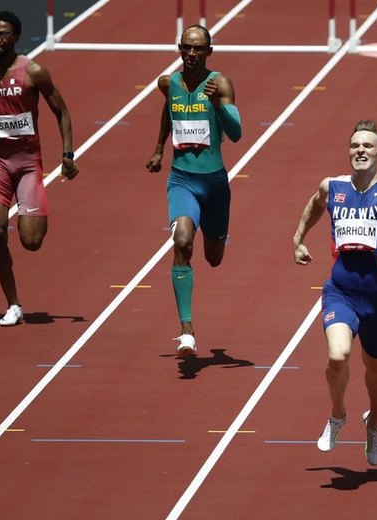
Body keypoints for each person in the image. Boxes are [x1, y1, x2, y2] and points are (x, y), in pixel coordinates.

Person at [293, 120, 377, 466]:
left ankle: (374, 424)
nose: (360, 150)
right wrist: (298, 238)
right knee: (338, 356)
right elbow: (315, 204)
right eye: (355, 145)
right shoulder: (332, 186)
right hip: (341, 291)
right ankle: (338, 415)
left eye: (367, 146)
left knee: (375, 369)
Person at [0, 11, 79, 326]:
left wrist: (67, 154)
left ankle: (30, 217)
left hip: (27, 163)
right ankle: (13, 304)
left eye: (3, 34)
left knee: (31, 242)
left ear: (16, 38)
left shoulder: (33, 72)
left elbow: (61, 111)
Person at [145, 25, 241, 358]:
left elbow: (237, 133)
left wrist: (218, 105)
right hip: (181, 179)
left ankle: (216, 235)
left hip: (214, 185)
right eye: (185, 47)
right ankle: (186, 331)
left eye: (198, 48)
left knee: (213, 258)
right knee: (182, 241)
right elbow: (168, 112)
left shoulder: (221, 83)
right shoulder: (168, 83)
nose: (190, 54)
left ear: (208, 52)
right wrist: (158, 148)